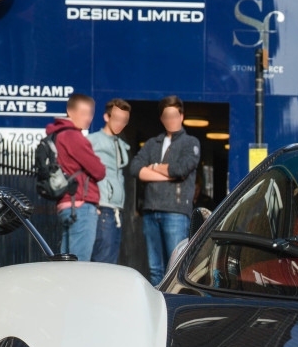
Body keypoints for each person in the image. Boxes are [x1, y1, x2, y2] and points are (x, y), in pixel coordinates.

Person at [129, 95, 201, 285]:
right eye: (167, 116)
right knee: (154, 268)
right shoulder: (153, 143)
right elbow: (135, 168)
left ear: (182, 116)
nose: (171, 120)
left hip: (175, 212)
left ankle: (172, 308)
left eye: (174, 116)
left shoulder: (191, 142)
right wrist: (168, 173)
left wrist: (153, 167)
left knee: (175, 267)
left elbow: (182, 169)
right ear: (161, 118)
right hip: (151, 212)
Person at [45, 93, 106, 262]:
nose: (88, 118)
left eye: (91, 113)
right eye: (84, 112)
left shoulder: (56, 135)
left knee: (67, 262)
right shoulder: (73, 136)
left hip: (65, 204)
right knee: (79, 265)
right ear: (70, 112)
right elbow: (99, 171)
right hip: (80, 206)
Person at [89, 98, 132, 264]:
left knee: (110, 264)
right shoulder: (93, 141)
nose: (120, 123)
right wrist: (93, 203)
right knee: (102, 263)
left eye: (124, 120)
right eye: (116, 119)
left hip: (116, 211)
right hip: (103, 208)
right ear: (106, 117)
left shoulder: (120, 143)